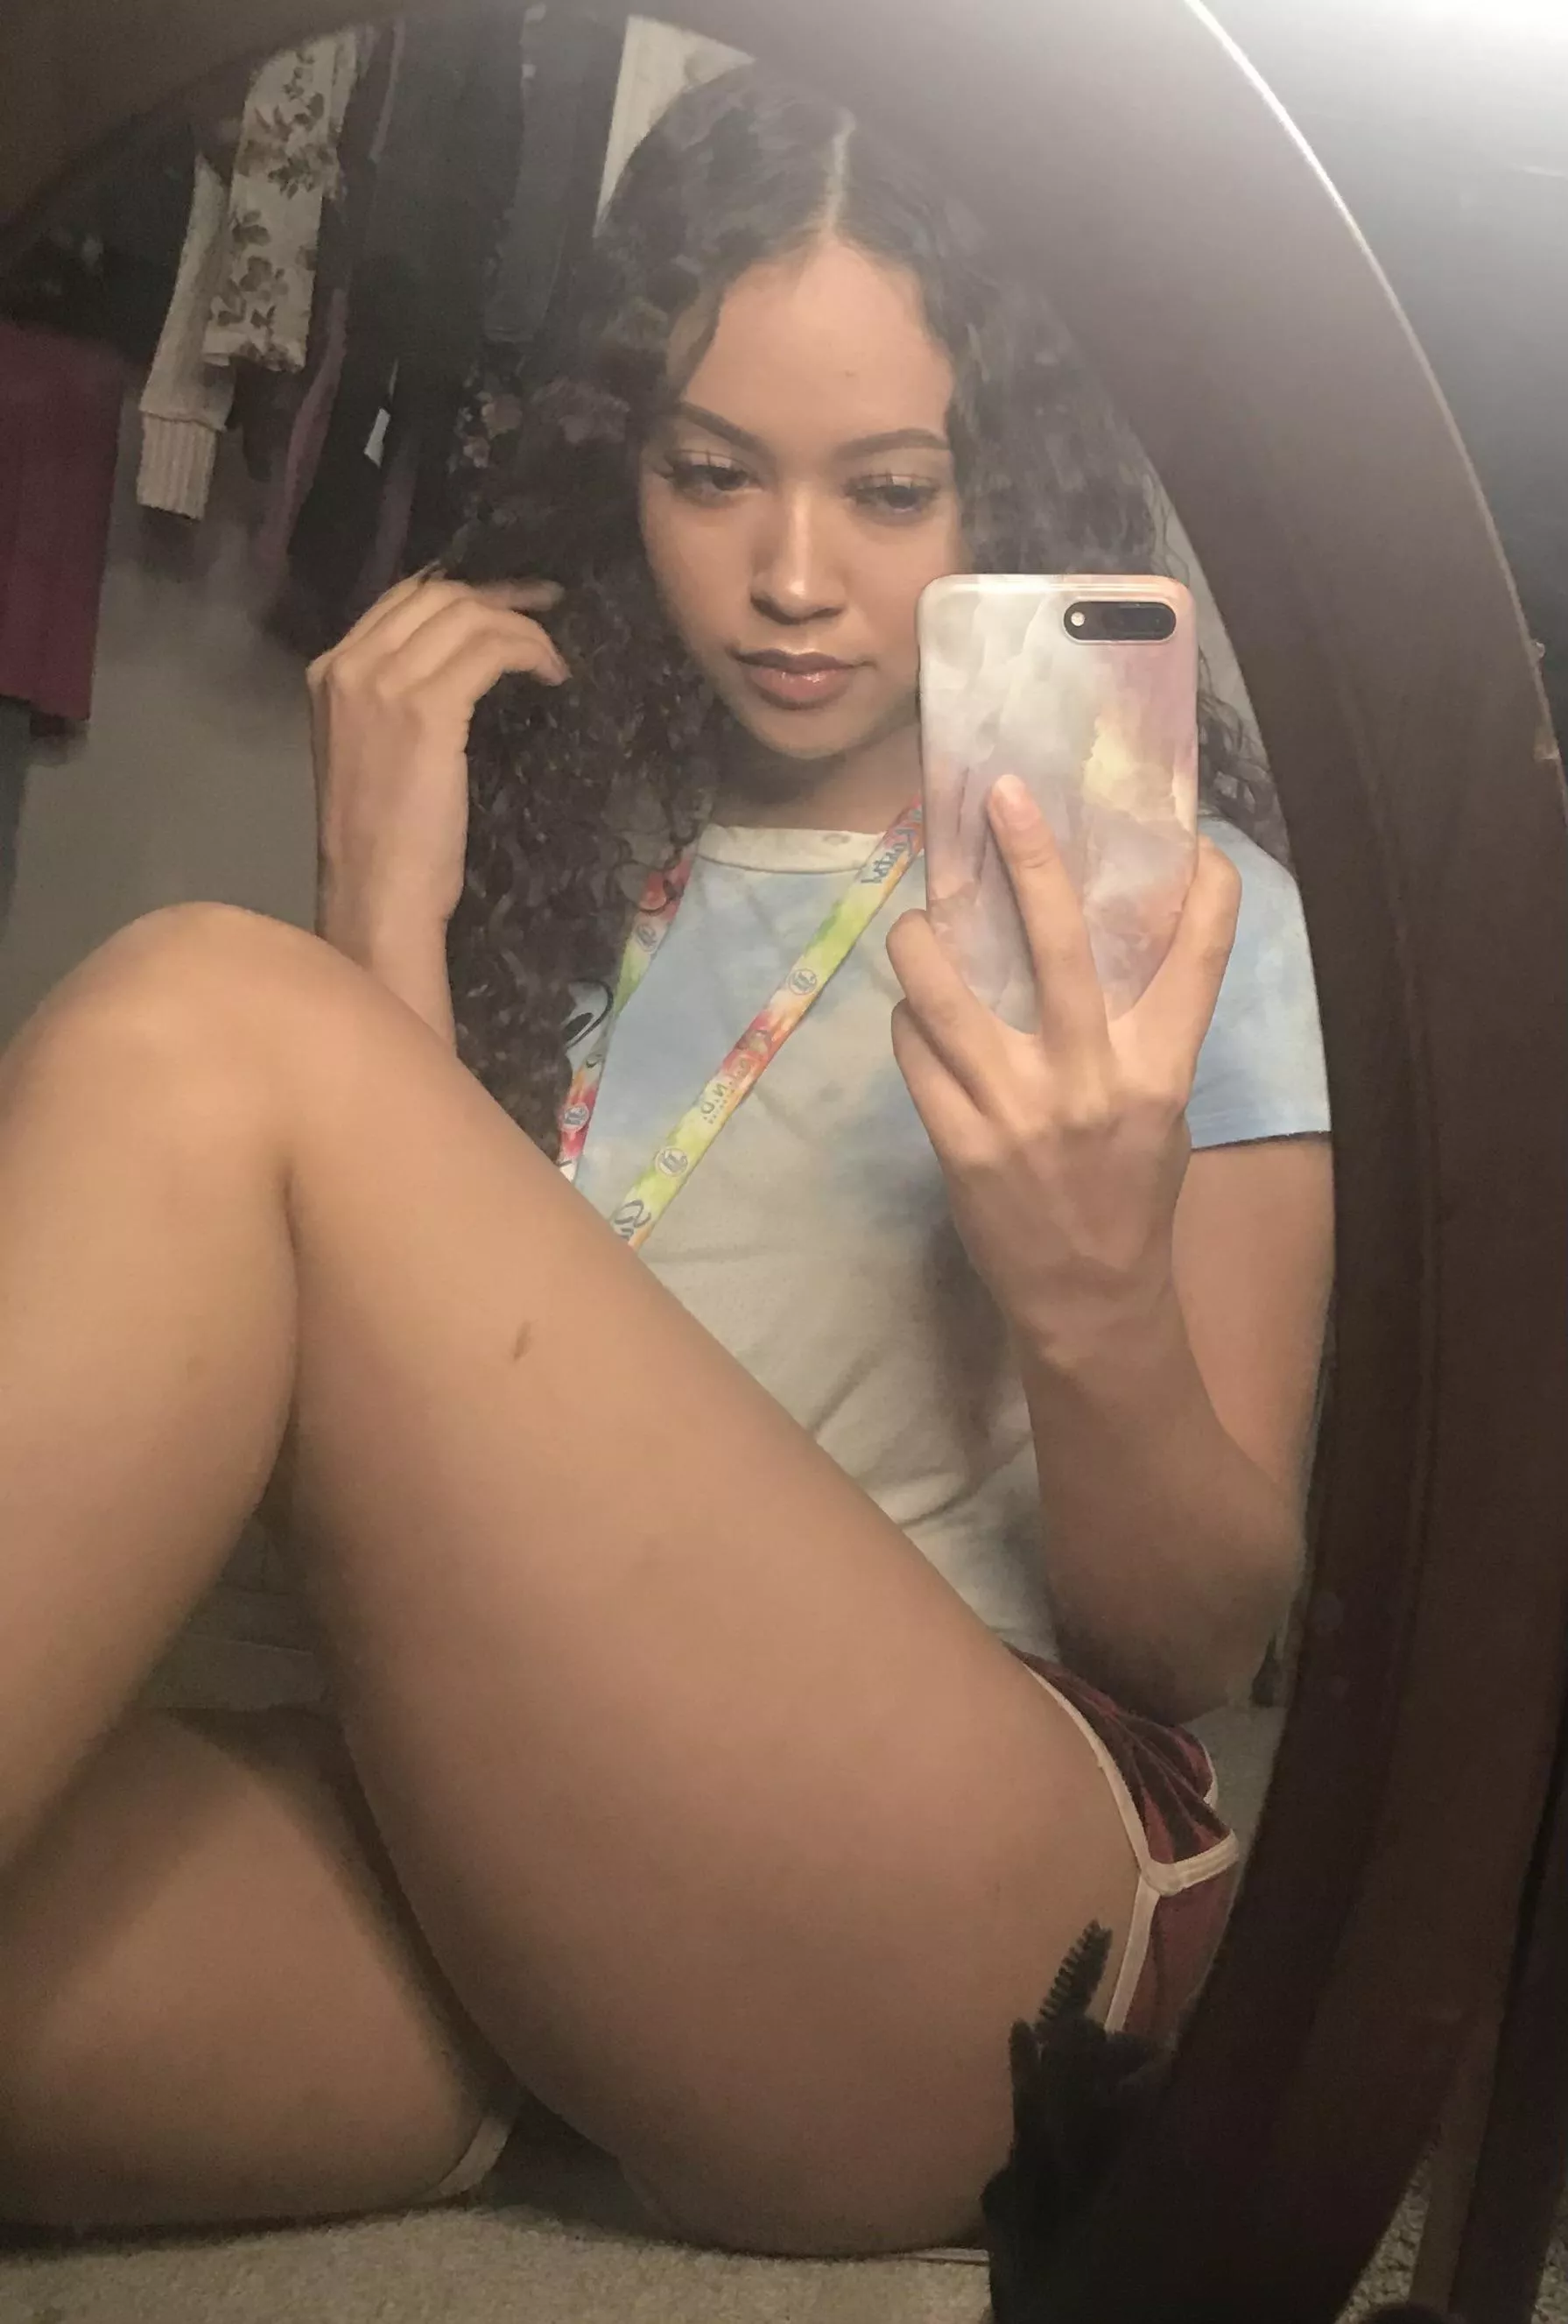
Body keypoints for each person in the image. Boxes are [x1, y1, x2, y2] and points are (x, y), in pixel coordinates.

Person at [0, 68, 1332, 2257]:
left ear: (1003, 482)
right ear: (624, 457)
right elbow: (413, 1474)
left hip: (954, 1902)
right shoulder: (550, 832)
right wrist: (385, 919)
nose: (791, 577)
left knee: (199, 1019)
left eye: (888, 490)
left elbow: (1194, 1634)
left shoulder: (1183, 914)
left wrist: (1090, 1295)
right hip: (516, 1840)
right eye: (711, 474)